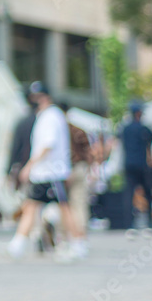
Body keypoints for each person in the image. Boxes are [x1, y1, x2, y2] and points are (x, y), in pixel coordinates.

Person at [7, 82, 84, 261]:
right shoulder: (46, 116)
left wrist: (29, 166)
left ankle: (78, 243)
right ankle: (17, 244)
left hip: (51, 172)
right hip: (44, 173)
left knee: (63, 207)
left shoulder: (50, 116)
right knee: (32, 206)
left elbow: (47, 145)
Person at [59, 102, 92, 251]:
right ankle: (80, 236)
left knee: (66, 205)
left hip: (66, 169)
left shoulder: (59, 130)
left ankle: (68, 237)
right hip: (80, 168)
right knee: (79, 203)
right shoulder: (77, 129)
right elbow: (88, 151)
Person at [120, 100, 152, 229]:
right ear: (139, 113)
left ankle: (128, 223)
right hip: (142, 164)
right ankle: (150, 222)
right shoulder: (143, 128)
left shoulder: (125, 128)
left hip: (128, 163)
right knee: (148, 192)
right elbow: (151, 141)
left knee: (129, 193)